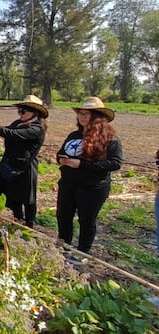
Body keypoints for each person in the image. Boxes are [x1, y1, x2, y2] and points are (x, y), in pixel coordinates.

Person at [56, 97, 122, 260]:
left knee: (86, 220)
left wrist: (81, 165)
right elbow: (60, 152)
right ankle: (64, 245)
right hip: (68, 184)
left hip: (92, 188)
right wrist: (61, 159)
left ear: (98, 117)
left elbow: (115, 163)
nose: (82, 116)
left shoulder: (110, 139)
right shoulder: (74, 135)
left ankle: (83, 252)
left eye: (87, 114)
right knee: (63, 215)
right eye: (80, 113)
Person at [0, 95, 48, 228]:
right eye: (19, 111)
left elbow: (12, 134)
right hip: (11, 165)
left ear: (34, 113)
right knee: (12, 196)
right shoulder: (18, 123)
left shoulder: (37, 128)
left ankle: (29, 225)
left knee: (28, 199)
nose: (20, 114)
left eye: (23, 111)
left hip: (26, 168)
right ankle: (17, 220)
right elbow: (7, 131)